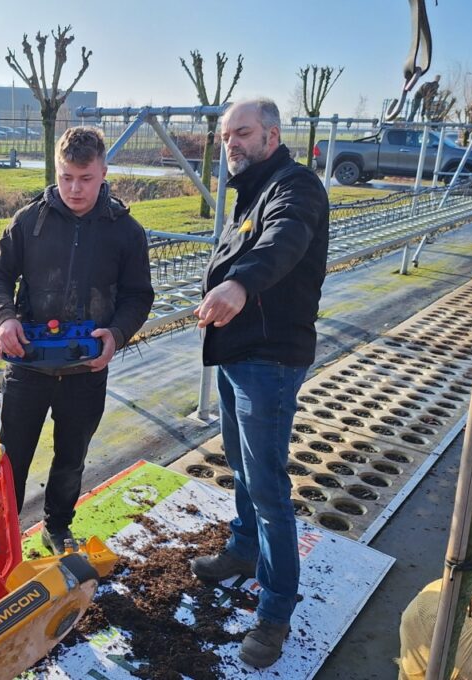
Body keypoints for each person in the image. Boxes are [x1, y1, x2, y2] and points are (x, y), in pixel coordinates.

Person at [191, 98, 329, 668]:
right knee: (241, 464)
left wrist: (239, 284)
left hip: (269, 361)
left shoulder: (296, 188)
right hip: (237, 353)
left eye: (242, 133)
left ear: (272, 135)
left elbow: (283, 242)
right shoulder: (252, 192)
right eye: (226, 136)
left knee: (269, 487)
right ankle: (244, 549)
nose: (232, 144)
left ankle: (274, 613)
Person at [0, 126, 153, 554]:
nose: (75, 189)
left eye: (85, 178)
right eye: (66, 178)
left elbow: (138, 295)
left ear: (103, 173)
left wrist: (116, 334)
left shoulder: (125, 231)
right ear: (55, 172)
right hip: (29, 363)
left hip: (86, 368)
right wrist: (4, 319)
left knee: (72, 457)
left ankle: (57, 526)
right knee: (10, 458)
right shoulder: (29, 221)